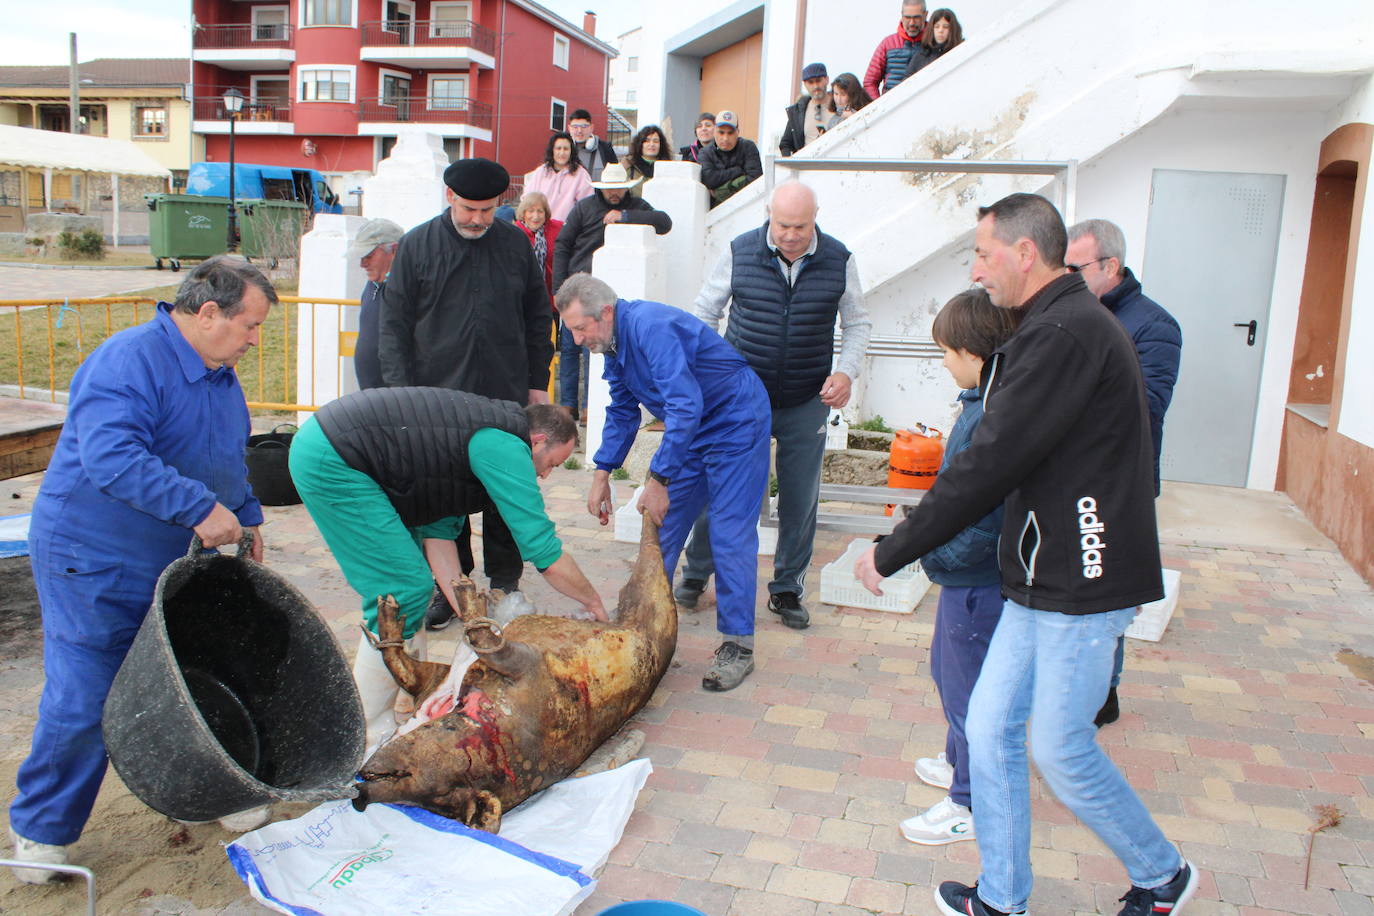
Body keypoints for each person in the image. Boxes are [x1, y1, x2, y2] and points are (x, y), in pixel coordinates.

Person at [855, 193, 1197, 916]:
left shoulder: (1064, 335)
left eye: (982, 254)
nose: (976, 269)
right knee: (988, 729)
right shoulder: (1047, 327)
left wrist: (894, 551)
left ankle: (1163, 874)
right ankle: (1003, 898)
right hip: (1038, 576)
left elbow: (987, 465)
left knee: (1062, 751)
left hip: (1085, 578)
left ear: (1023, 254)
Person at [8, 256, 274, 884]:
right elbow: (112, 456)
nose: (256, 340)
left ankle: (216, 789)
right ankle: (41, 829)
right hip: (92, 557)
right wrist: (198, 508)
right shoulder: (127, 360)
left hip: (176, 558)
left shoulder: (220, 374)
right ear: (208, 314)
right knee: (86, 696)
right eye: (250, 325)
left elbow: (224, 455)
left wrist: (246, 513)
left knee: (195, 682)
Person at [289, 389, 608, 746]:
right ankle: (360, 731)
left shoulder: (470, 446)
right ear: (537, 441)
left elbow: (440, 544)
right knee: (401, 588)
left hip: (357, 456)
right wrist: (593, 602)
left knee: (412, 587)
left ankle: (413, 694)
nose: (546, 476)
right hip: (334, 457)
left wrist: (475, 623)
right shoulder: (504, 445)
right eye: (551, 463)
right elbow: (543, 550)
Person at [559, 274, 771, 692]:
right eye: (572, 332)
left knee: (729, 533)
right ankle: (643, 624)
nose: (578, 340)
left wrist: (658, 477)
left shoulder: (650, 327)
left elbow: (685, 404)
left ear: (605, 313)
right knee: (662, 525)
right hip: (690, 427)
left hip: (735, 420)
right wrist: (603, 472)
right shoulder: (612, 345)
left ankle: (738, 644)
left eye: (580, 329)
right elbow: (623, 411)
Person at [678, 182, 871, 631]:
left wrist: (846, 372)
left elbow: (859, 321)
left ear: (815, 216)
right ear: (769, 214)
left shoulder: (839, 259)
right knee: (720, 490)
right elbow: (705, 311)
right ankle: (694, 573)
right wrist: (715, 371)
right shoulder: (740, 251)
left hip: (806, 399)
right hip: (741, 399)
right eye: (782, 225)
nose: (789, 235)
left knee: (801, 500)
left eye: (800, 226)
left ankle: (786, 590)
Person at [379, 157, 554, 617]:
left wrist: (538, 383)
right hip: (437, 398)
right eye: (469, 210)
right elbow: (393, 327)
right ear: (450, 197)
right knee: (441, 492)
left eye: (487, 210)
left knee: (505, 491)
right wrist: (400, 394)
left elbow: (539, 316)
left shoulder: (515, 244)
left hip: (505, 389)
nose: (478, 219)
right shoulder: (416, 246)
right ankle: (450, 585)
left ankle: (505, 585)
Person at [899, 288, 1014, 848]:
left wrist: (933, 551)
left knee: (971, 694)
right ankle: (957, 764)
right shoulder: (980, 403)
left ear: (973, 352)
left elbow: (978, 515)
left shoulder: (988, 415)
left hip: (974, 580)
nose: (943, 362)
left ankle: (970, 802)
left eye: (947, 351)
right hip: (962, 577)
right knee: (949, 675)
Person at [1067, 217, 1183, 727]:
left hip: (1117, 486)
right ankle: (1074, 681)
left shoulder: (1154, 326)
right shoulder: (1072, 313)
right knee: (1073, 587)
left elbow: (1147, 405)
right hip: (1068, 479)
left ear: (1109, 265)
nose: (1065, 276)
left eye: (1076, 267)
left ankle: (1102, 693)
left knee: (1105, 590)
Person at [552, 163, 673, 419]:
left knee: (594, 349)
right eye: (609, 188)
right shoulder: (584, 207)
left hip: (605, 295)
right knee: (570, 348)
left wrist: (625, 217)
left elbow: (664, 222)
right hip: (576, 286)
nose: (614, 192)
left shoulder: (637, 207)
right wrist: (558, 287)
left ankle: (587, 408)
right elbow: (563, 244)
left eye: (619, 187)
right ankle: (567, 405)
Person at [349, 218, 404, 390]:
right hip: (371, 396)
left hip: (396, 398)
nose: (363, 263)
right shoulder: (373, 284)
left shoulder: (407, 290)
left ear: (394, 250)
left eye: (369, 255)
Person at [863, 0, 929, 100]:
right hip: (891, 107)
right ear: (901, 15)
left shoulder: (933, 44)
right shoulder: (887, 43)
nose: (912, 23)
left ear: (925, 15)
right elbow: (869, 82)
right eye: (907, 17)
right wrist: (879, 106)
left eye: (916, 17)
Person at [698, 110, 763, 208]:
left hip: (746, 207)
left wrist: (719, 192)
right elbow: (708, 179)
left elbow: (755, 180)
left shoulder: (748, 147)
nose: (725, 138)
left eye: (730, 133)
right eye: (721, 132)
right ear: (714, 131)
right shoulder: (705, 152)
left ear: (738, 132)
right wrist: (737, 171)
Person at [523, 131, 593, 222]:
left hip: (567, 230)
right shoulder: (540, 172)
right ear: (552, 150)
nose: (562, 153)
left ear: (571, 151)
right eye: (558, 148)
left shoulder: (581, 175)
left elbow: (586, 206)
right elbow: (527, 199)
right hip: (540, 227)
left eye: (566, 149)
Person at [515, 191, 562, 310]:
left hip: (552, 297)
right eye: (531, 211)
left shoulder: (558, 229)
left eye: (540, 211)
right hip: (522, 298)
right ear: (523, 213)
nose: (535, 216)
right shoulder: (514, 232)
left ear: (546, 213)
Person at [779, 62, 831, 156]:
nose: (815, 86)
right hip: (806, 167)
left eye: (818, 80)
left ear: (826, 80)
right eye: (810, 82)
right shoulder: (798, 111)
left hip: (836, 166)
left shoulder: (840, 106)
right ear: (805, 84)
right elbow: (785, 144)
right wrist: (792, 164)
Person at [567, 109, 618, 181]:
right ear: (569, 128)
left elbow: (615, 177)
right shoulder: (562, 148)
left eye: (584, 126)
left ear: (591, 128)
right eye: (575, 126)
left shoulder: (605, 149)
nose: (579, 131)